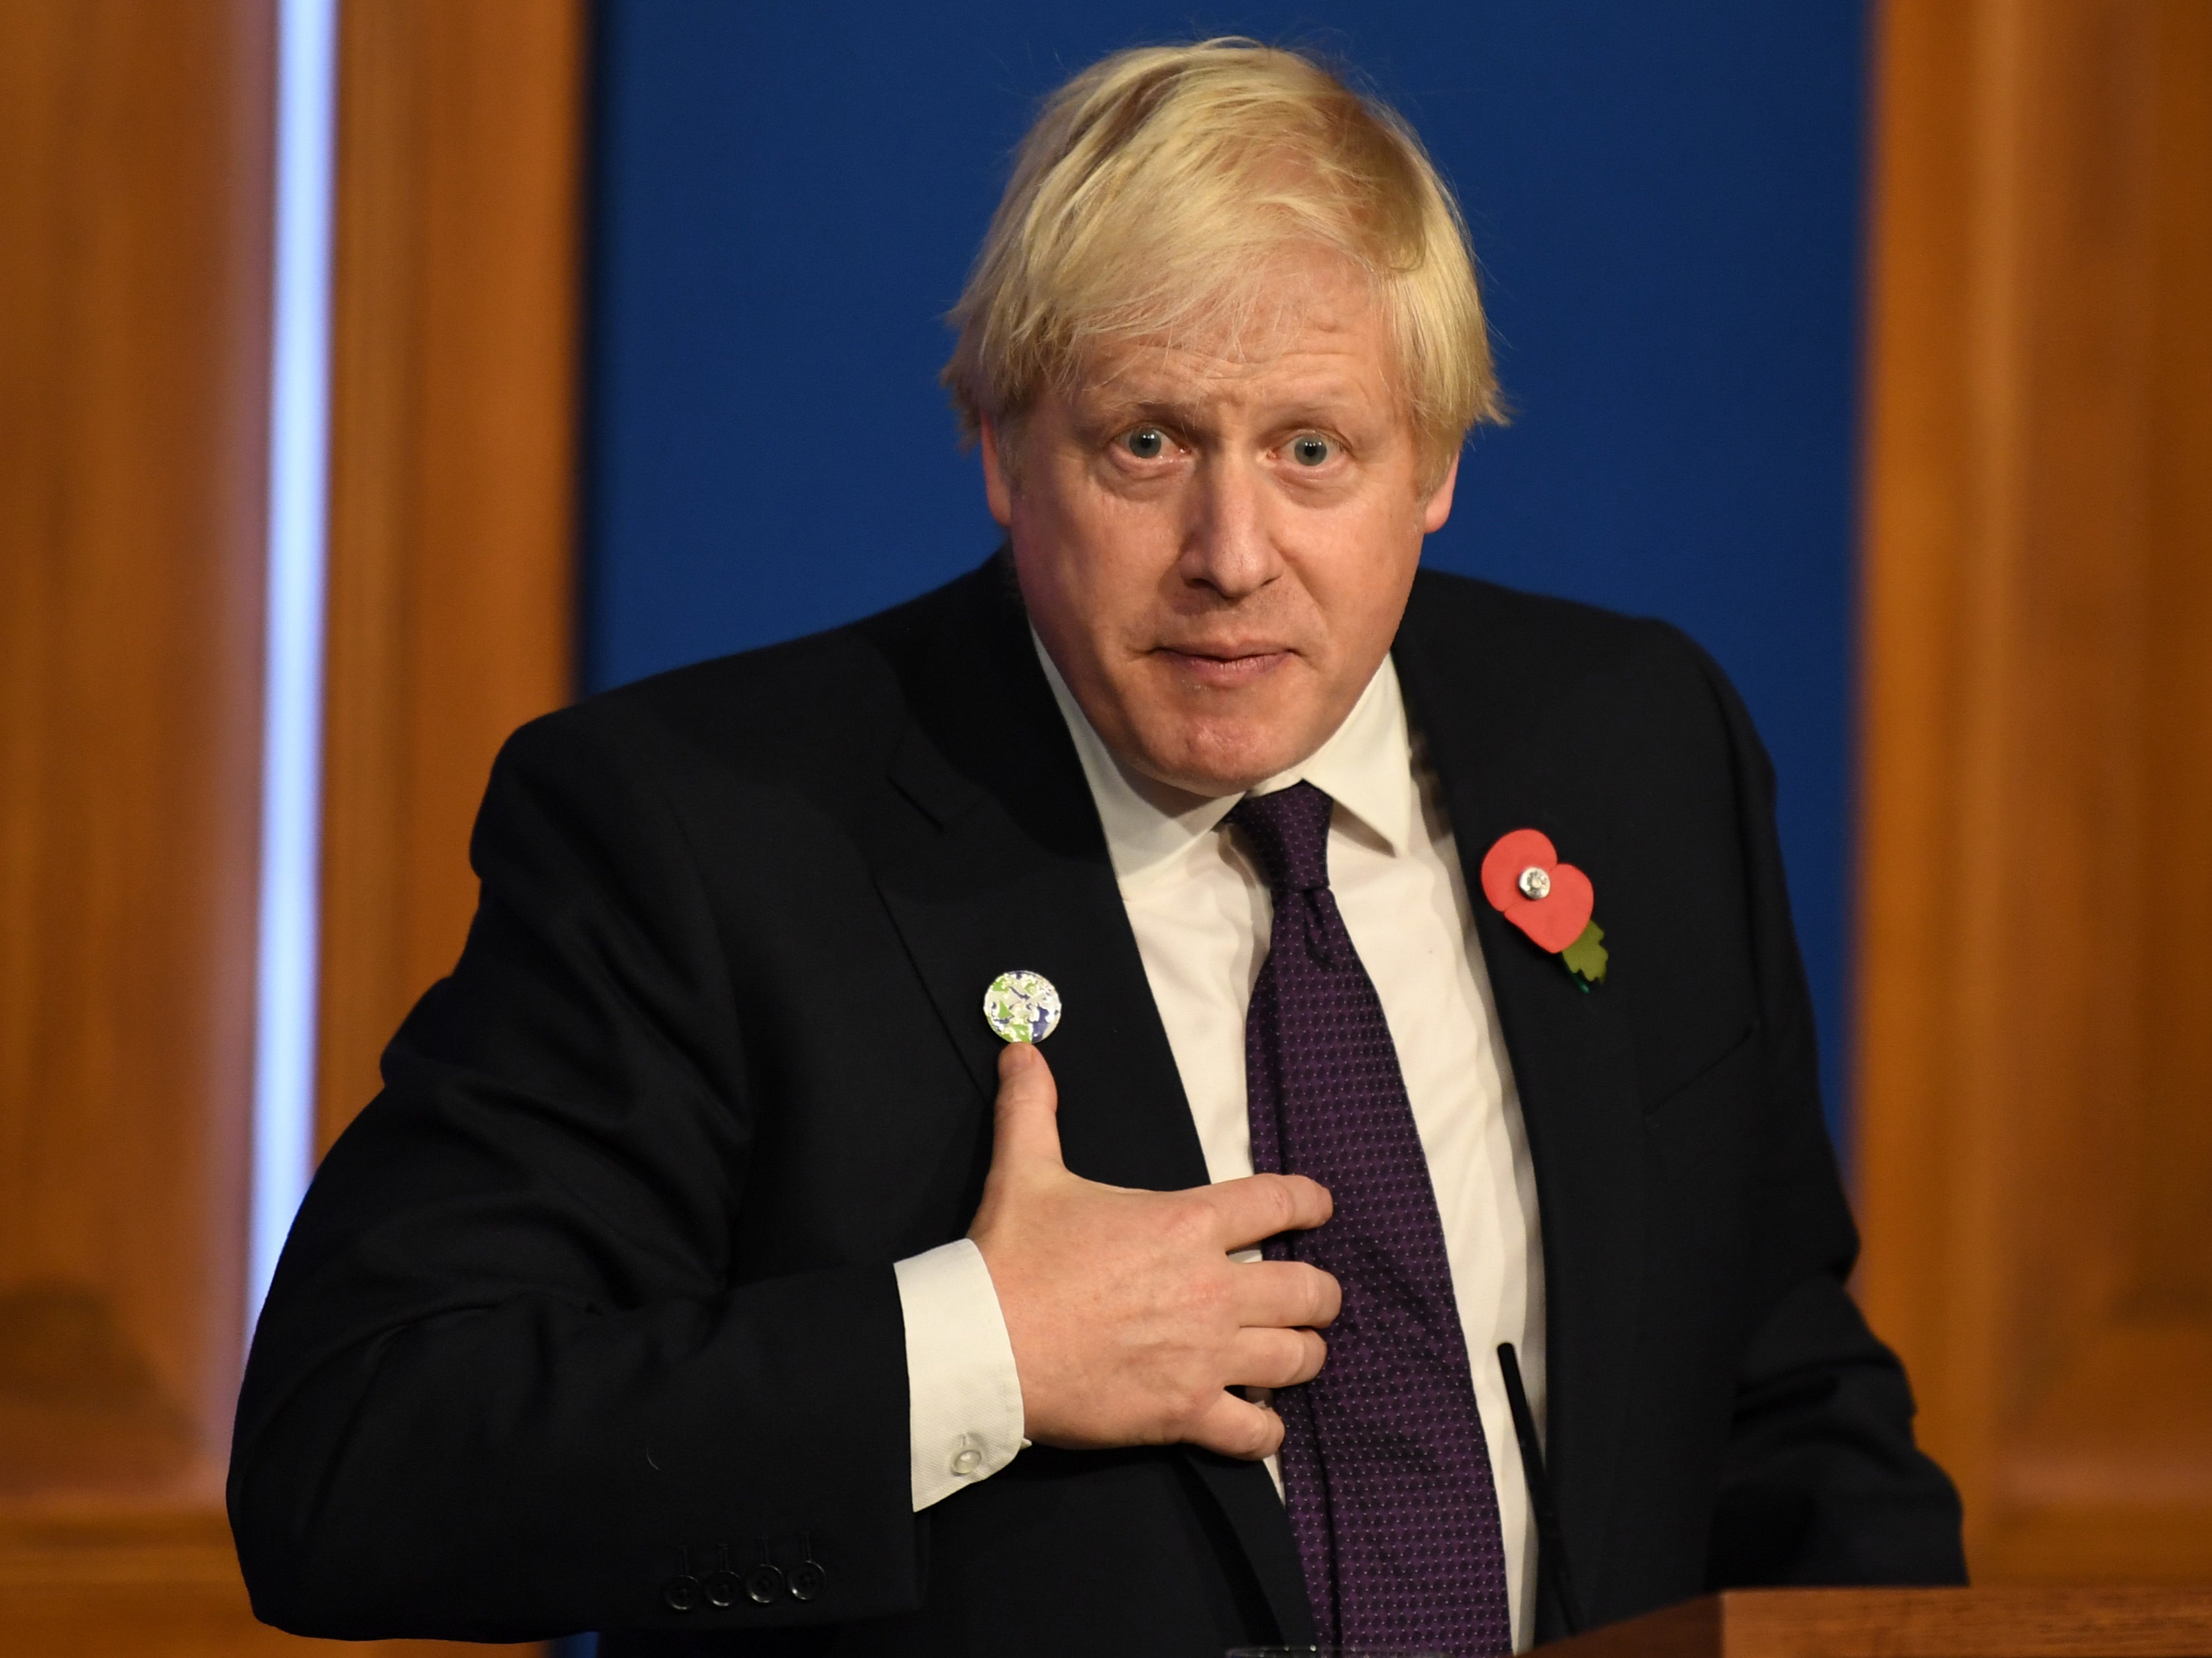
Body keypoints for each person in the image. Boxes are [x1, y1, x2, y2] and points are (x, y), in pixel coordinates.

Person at [229, 39, 1965, 1656]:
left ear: (1431, 462)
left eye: (1311, 451)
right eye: (1146, 443)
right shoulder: (702, 833)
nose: (1231, 551)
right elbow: (355, 1466)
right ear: (998, 446)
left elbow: (1778, 1392)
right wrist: (977, 1348)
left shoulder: (1631, 747)